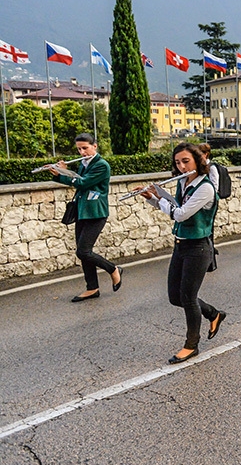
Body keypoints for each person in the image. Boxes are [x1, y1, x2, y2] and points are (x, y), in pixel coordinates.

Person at [139, 143, 226, 364]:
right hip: (180, 245)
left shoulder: (205, 188)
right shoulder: (183, 182)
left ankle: (191, 345)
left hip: (198, 248)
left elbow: (180, 214)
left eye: (186, 161)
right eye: (177, 162)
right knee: (174, 297)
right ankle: (213, 313)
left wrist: (159, 200)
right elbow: (173, 206)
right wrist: (150, 197)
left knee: (187, 298)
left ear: (198, 160)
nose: (181, 166)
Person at [50, 133, 122, 302]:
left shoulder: (102, 165)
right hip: (83, 212)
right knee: (83, 253)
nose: (82, 152)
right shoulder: (84, 163)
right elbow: (78, 181)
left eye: (85, 148)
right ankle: (92, 288)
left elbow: (82, 183)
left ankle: (113, 269)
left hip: (96, 213)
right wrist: (60, 173)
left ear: (94, 146)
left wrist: (63, 173)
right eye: (79, 149)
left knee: (83, 251)